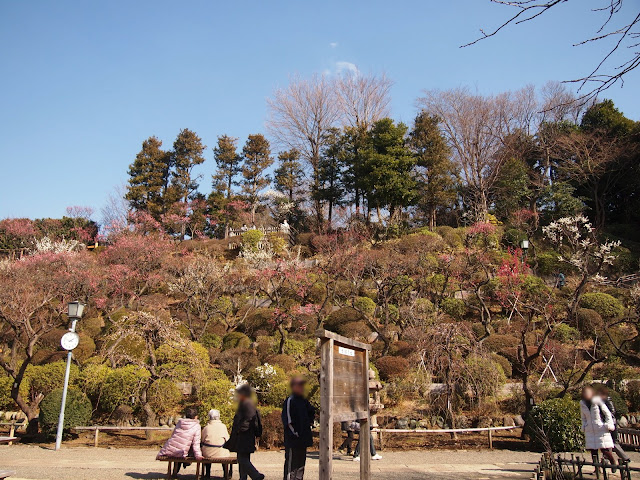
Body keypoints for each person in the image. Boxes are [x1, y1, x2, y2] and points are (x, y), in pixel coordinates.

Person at [224, 384, 264, 480]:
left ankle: (255, 475)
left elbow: (242, 423)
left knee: (242, 459)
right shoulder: (251, 405)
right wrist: (257, 434)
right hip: (248, 436)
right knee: (244, 458)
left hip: (243, 436)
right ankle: (243, 478)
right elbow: (257, 424)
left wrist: (238, 432)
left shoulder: (245, 406)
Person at [282, 376, 315, 480]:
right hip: (293, 440)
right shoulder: (290, 401)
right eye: (299, 385)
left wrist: (308, 428)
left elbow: (311, 413)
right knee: (291, 467)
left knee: (300, 467)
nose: (302, 388)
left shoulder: (304, 401)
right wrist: (295, 433)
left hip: (303, 440)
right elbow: (288, 420)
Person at [157, 406, 203, 472]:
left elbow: (173, 435)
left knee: (180, 449)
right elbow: (196, 443)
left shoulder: (180, 423)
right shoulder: (196, 426)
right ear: (196, 417)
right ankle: (186, 463)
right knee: (184, 450)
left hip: (171, 449)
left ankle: (175, 472)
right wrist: (198, 455)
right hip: (182, 452)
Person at [580, 386, 616, 469]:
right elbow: (583, 417)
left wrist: (608, 424)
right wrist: (584, 425)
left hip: (600, 428)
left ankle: (613, 463)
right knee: (593, 451)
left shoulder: (598, 401)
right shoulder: (583, 403)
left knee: (604, 449)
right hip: (590, 429)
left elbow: (607, 413)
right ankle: (597, 469)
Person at [594, 384, 629, 461]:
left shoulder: (606, 399)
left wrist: (604, 417)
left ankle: (624, 458)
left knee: (611, 442)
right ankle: (608, 460)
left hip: (610, 423)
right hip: (607, 423)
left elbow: (612, 411)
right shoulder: (600, 401)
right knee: (608, 443)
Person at [201, 409, 235, 480]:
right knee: (224, 452)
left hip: (208, 453)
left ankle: (207, 474)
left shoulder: (206, 427)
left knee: (207, 450)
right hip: (221, 452)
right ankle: (225, 474)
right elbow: (227, 439)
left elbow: (202, 440)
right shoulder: (223, 427)